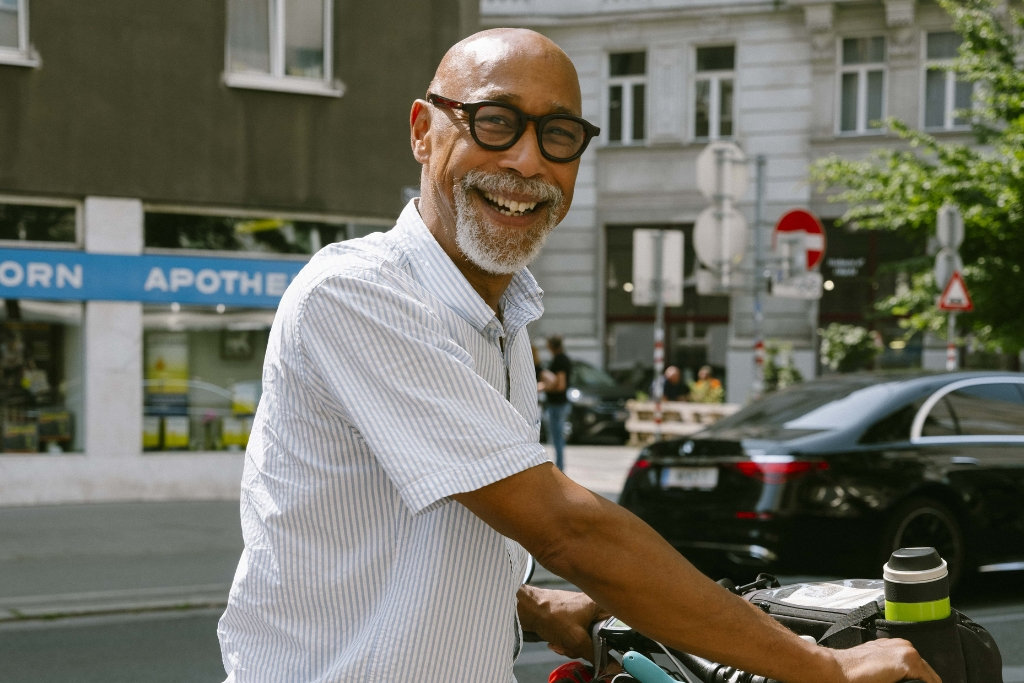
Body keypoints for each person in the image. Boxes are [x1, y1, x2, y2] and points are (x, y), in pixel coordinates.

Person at [217, 27, 939, 683]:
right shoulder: (357, 293)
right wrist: (822, 666)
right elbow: (566, 525)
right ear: (423, 130)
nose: (527, 161)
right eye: (495, 122)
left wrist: (523, 603)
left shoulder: (504, 313)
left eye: (558, 134)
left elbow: (398, 531)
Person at [538, 334, 571, 469]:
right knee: (557, 438)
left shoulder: (560, 361)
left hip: (557, 404)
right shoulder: (563, 359)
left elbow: (560, 385)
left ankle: (560, 467)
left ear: (551, 346)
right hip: (560, 403)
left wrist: (543, 388)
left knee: (557, 438)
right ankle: (560, 466)